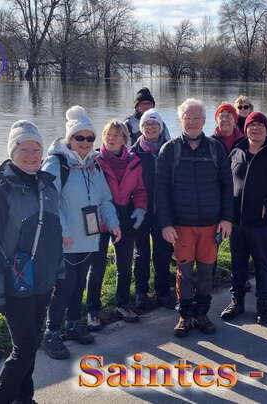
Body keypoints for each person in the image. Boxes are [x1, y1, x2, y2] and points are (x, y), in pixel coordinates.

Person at [0, 121, 63, 404]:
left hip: (41, 283)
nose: (30, 154)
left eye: (36, 148)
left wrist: (58, 275)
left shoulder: (48, 187)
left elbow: (54, 236)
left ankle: (24, 397)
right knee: (23, 348)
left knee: (31, 344)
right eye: (23, 149)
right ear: (12, 151)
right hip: (15, 284)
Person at [42, 106, 120, 359]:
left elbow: (105, 200)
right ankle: (51, 333)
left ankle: (73, 324)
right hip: (64, 241)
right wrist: (62, 230)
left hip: (89, 238)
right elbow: (48, 201)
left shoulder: (93, 165)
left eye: (89, 138)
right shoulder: (56, 164)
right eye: (79, 137)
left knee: (77, 287)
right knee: (63, 288)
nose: (85, 143)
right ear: (69, 138)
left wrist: (113, 222)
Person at [156, 98, 234, 337]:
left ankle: (202, 314)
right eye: (187, 118)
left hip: (211, 224)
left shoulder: (215, 148)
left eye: (196, 118)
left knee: (206, 272)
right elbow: (161, 190)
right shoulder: (169, 150)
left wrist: (226, 218)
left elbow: (226, 185)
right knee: (185, 272)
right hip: (181, 225)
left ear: (204, 121)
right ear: (181, 120)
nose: (191, 122)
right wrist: (165, 224)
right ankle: (185, 316)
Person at [220, 112, 267, 324]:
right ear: (246, 129)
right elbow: (225, 184)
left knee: (262, 265)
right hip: (237, 222)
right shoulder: (236, 152)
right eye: (252, 125)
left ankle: (263, 305)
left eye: (261, 125)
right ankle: (237, 302)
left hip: (261, 224)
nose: (256, 129)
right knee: (238, 264)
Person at [86, 121, 147, 330]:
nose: (111, 138)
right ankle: (93, 310)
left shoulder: (134, 161)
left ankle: (122, 304)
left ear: (124, 139)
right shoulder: (93, 160)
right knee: (97, 267)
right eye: (107, 134)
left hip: (125, 215)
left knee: (124, 265)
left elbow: (139, 190)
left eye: (116, 135)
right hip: (99, 216)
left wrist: (140, 208)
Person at [130, 108, 176, 312]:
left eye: (154, 124)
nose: (150, 127)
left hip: (164, 211)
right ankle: (141, 293)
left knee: (163, 252)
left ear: (161, 127)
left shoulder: (170, 150)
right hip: (140, 211)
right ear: (141, 128)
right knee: (141, 253)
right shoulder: (133, 153)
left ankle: (163, 291)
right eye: (147, 124)